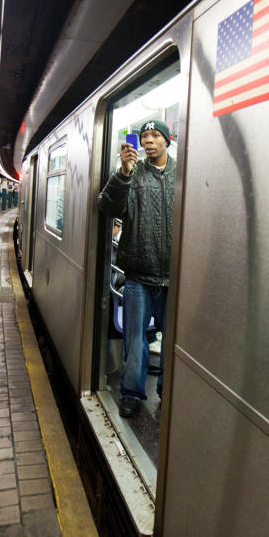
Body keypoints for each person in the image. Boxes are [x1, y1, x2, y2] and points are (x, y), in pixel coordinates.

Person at [98, 119, 175, 418]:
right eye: (144, 136)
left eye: (155, 135)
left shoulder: (182, 173)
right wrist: (124, 173)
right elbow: (108, 207)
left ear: (167, 140)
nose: (148, 141)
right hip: (138, 275)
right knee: (135, 339)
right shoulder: (132, 172)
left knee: (172, 341)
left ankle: (168, 391)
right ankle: (131, 393)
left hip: (174, 277)